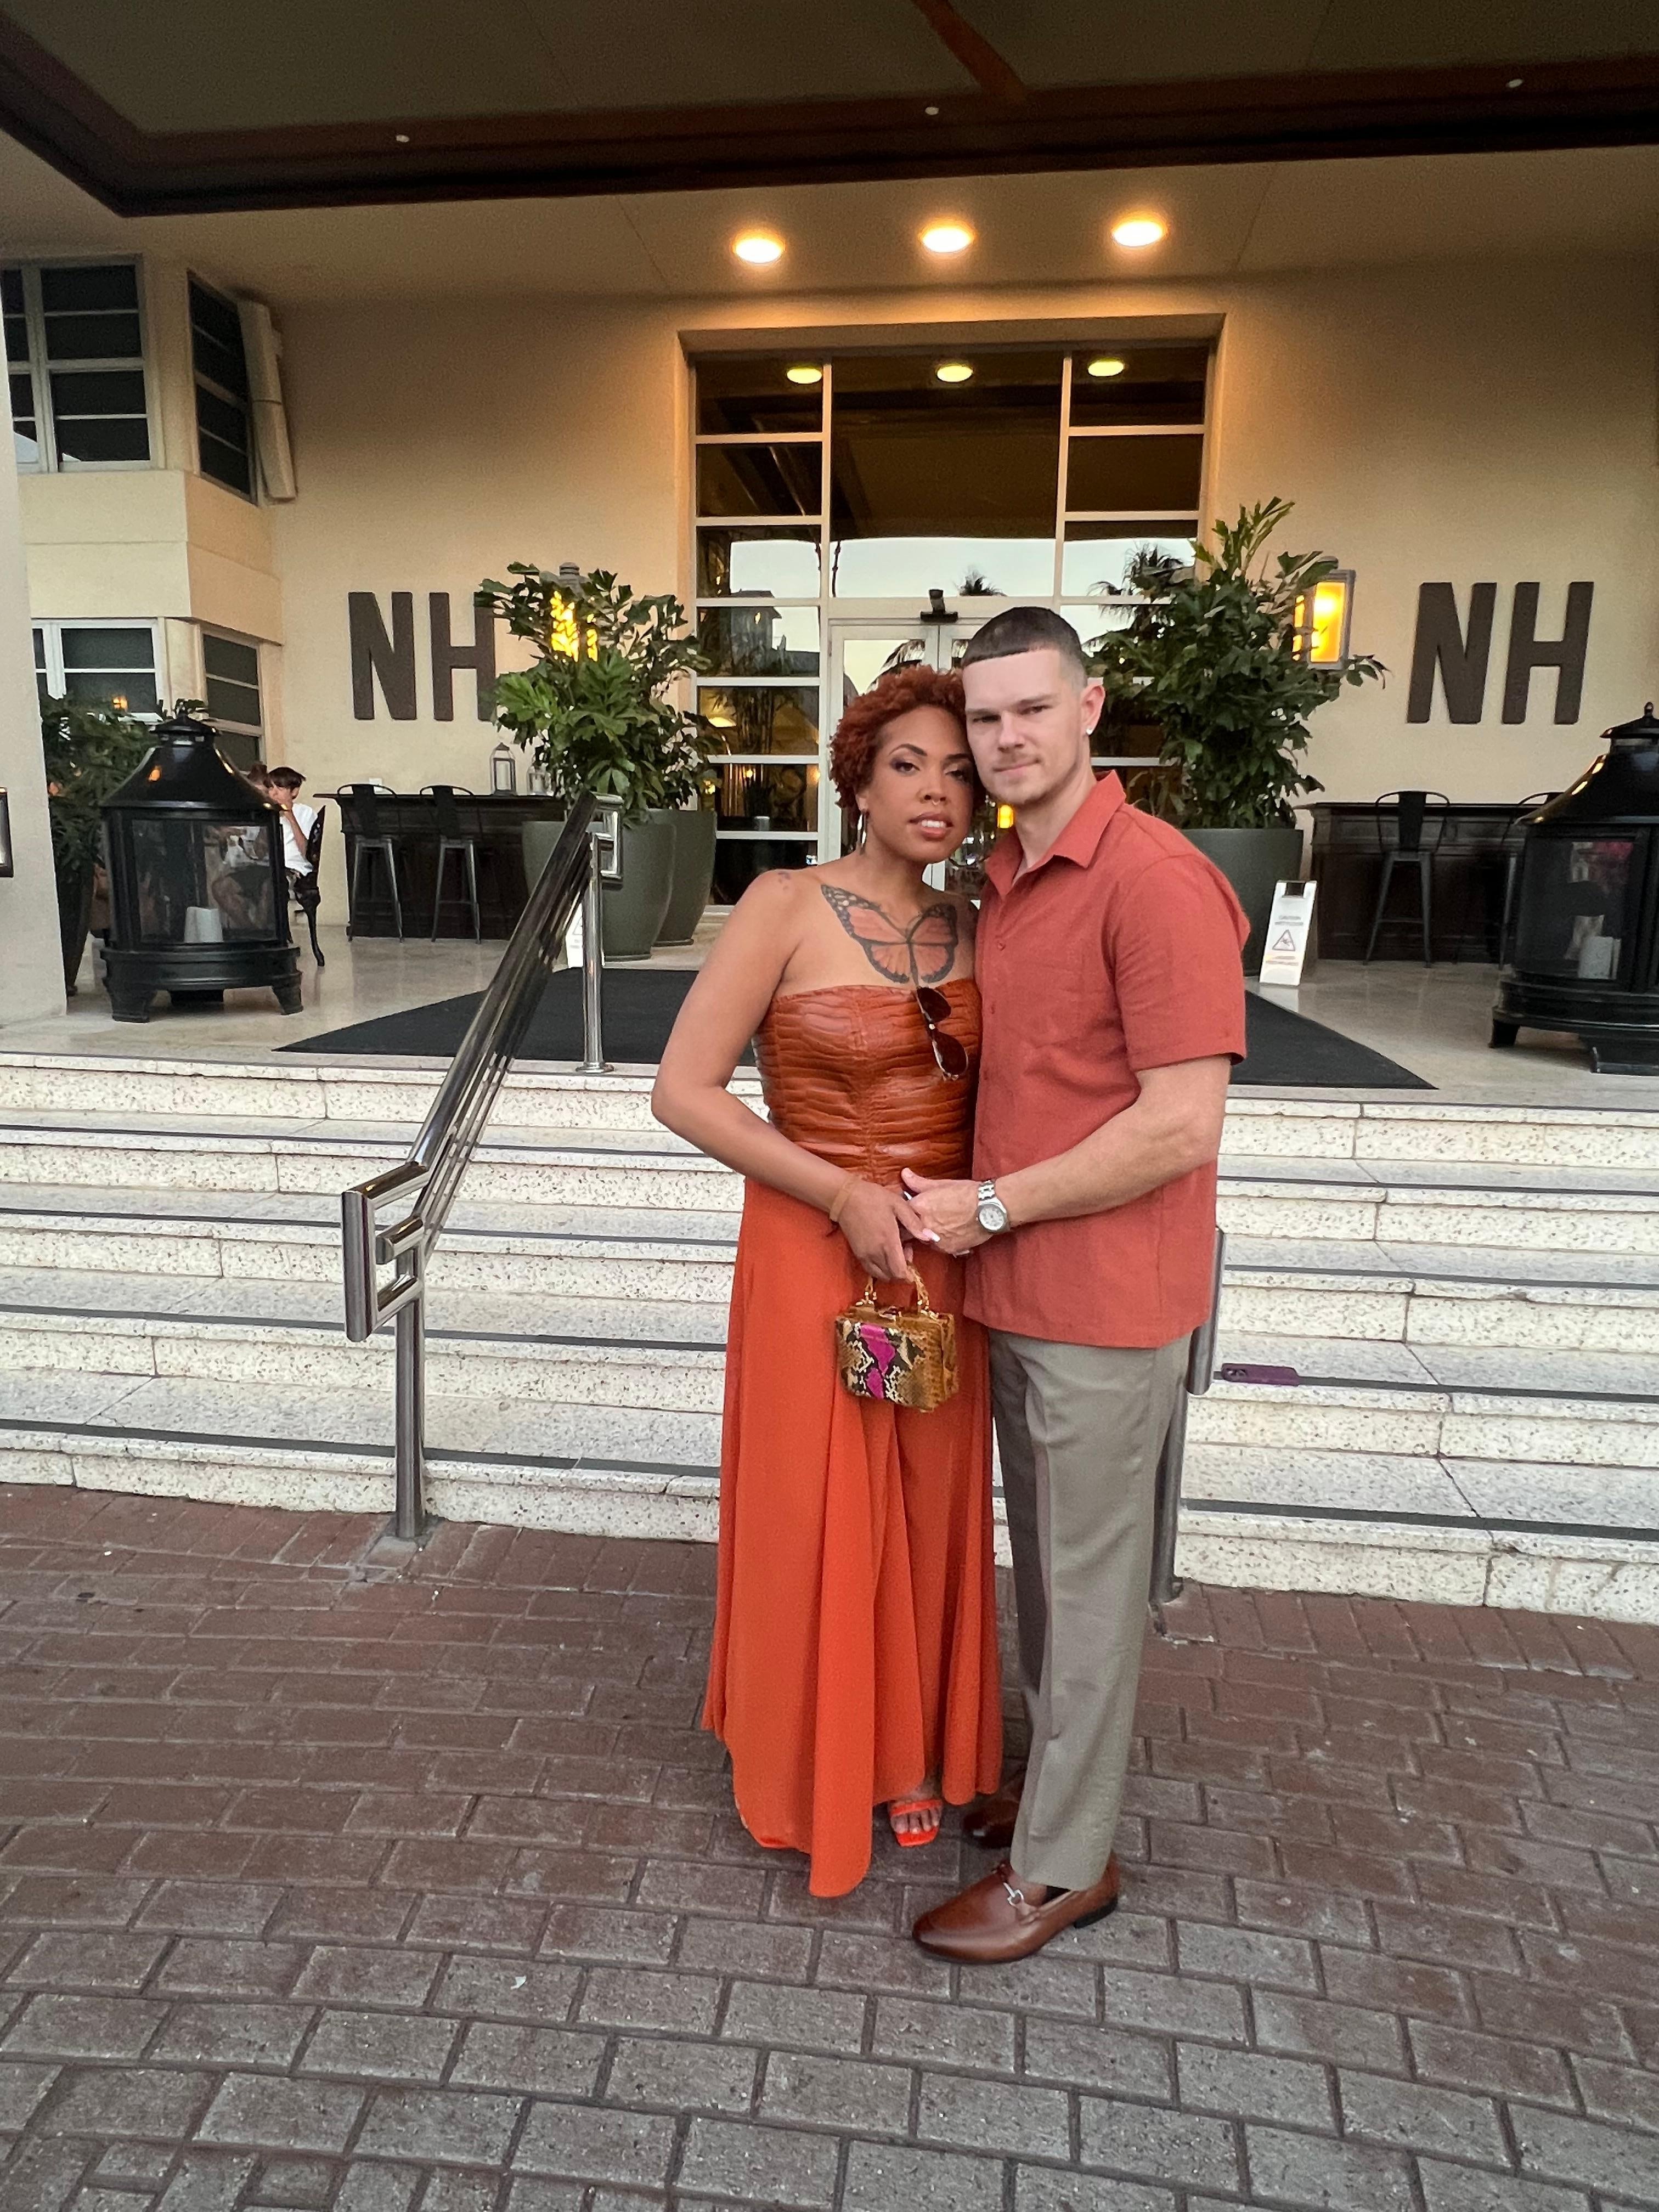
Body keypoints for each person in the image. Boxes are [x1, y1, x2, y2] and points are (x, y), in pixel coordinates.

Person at [902, 607, 1248, 1963]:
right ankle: (1058, 1797)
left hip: (1104, 1301)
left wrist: (991, 1206)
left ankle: (1064, 1868)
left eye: (1031, 709)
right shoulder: (1002, 876)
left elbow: (1180, 1126)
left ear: (1091, 708)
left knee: (1090, 1591)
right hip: (1021, 1292)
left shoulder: (1154, 881)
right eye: (986, 718)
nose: (1006, 738)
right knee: (1050, 1576)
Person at [652, 665, 1002, 1897]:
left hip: (941, 1258)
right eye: (907, 764)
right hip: (811, 1245)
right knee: (820, 1507)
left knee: (926, 1503)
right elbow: (682, 1091)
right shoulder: (783, 904)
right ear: (857, 780)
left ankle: (909, 1747)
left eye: (958, 771)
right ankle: (818, 1748)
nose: (934, 791)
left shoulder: (982, 925)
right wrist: (840, 1193)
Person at [267, 765, 317, 880]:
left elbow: (309, 853)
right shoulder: (267, 813)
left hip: (294, 869)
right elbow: (259, 852)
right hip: (267, 868)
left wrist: (290, 816)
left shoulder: (305, 812)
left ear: (294, 791)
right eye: (271, 788)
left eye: (280, 788)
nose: (273, 794)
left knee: (272, 883)